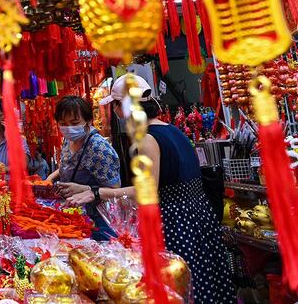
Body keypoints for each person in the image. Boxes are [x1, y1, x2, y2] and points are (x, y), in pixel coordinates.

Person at [66, 74, 234, 304]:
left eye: (115, 106)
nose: (115, 114)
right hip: (198, 218)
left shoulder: (146, 139)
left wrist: (97, 192)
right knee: (206, 283)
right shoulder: (173, 131)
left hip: (175, 223)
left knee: (178, 288)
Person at [47, 95, 121, 240]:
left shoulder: (99, 148)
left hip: (99, 221)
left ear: (88, 120)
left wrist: (85, 190)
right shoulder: (68, 141)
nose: (68, 129)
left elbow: (116, 191)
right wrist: (51, 177)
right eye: (63, 123)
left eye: (74, 122)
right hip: (74, 216)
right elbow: (69, 164)